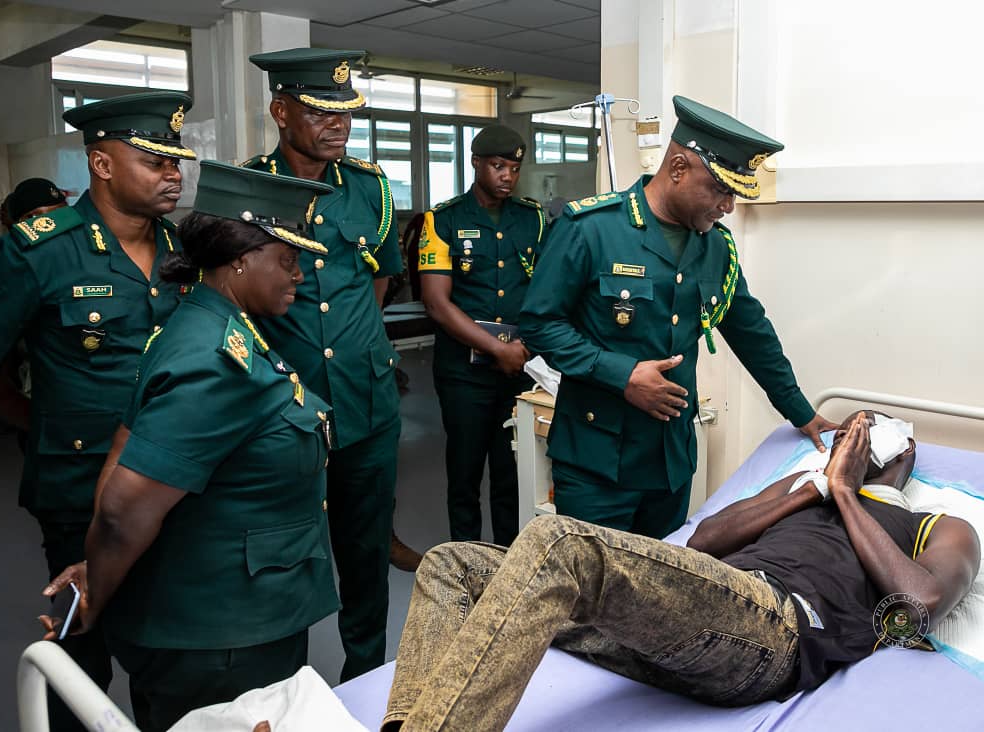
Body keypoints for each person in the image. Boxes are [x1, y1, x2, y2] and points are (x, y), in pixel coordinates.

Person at [380, 411, 980, 731]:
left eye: (869, 431)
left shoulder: (939, 524)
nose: (856, 435)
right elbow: (708, 540)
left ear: (901, 455)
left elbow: (919, 604)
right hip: (677, 631)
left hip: (775, 632)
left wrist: (848, 494)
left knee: (561, 541)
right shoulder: (802, 488)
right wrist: (813, 486)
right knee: (452, 562)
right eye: (850, 428)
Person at [43, 161, 341, 732]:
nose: (299, 274)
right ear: (239, 258)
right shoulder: (217, 361)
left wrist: (95, 565)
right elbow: (124, 508)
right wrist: (98, 589)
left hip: (230, 617)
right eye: (288, 258)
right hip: (221, 637)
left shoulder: (205, 326)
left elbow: (126, 444)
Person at [0, 91, 195, 732]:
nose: (173, 173)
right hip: (79, 488)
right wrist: (35, 423)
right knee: (82, 655)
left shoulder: (186, 250)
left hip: (172, 482)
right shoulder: (41, 249)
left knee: (167, 654)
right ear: (102, 163)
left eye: (176, 159)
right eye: (154, 159)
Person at [520, 95, 836, 537]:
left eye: (734, 194)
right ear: (679, 168)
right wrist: (623, 374)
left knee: (660, 594)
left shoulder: (715, 248)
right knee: (595, 598)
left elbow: (751, 333)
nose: (728, 206)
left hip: (670, 464)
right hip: (596, 464)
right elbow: (539, 326)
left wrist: (801, 412)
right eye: (721, 189)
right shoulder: (590, 229)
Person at [244, 47, 405, 681]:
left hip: (366, 405)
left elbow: (380, 279)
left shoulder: (370, 188)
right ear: (281, 111)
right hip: (283, 409)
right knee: (285, 557)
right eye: (319, 112)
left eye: (346, 114)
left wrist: (355, 344)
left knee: (365, 556)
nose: (338, 125)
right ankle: (287, 692)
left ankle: (363, 681)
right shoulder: (248, 186)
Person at [418, 124, 547, 546]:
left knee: (512, 472)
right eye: (497, 166)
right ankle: (466, 563)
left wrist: (524, 350)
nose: (506, 176)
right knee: (465, 473)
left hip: (519, 369)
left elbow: (547, 289)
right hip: (464, 373)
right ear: (476, 163)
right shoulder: (443, 220)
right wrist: (497, 348)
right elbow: (437, 303)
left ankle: (510, 560)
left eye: (513, 167)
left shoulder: (534, 220)